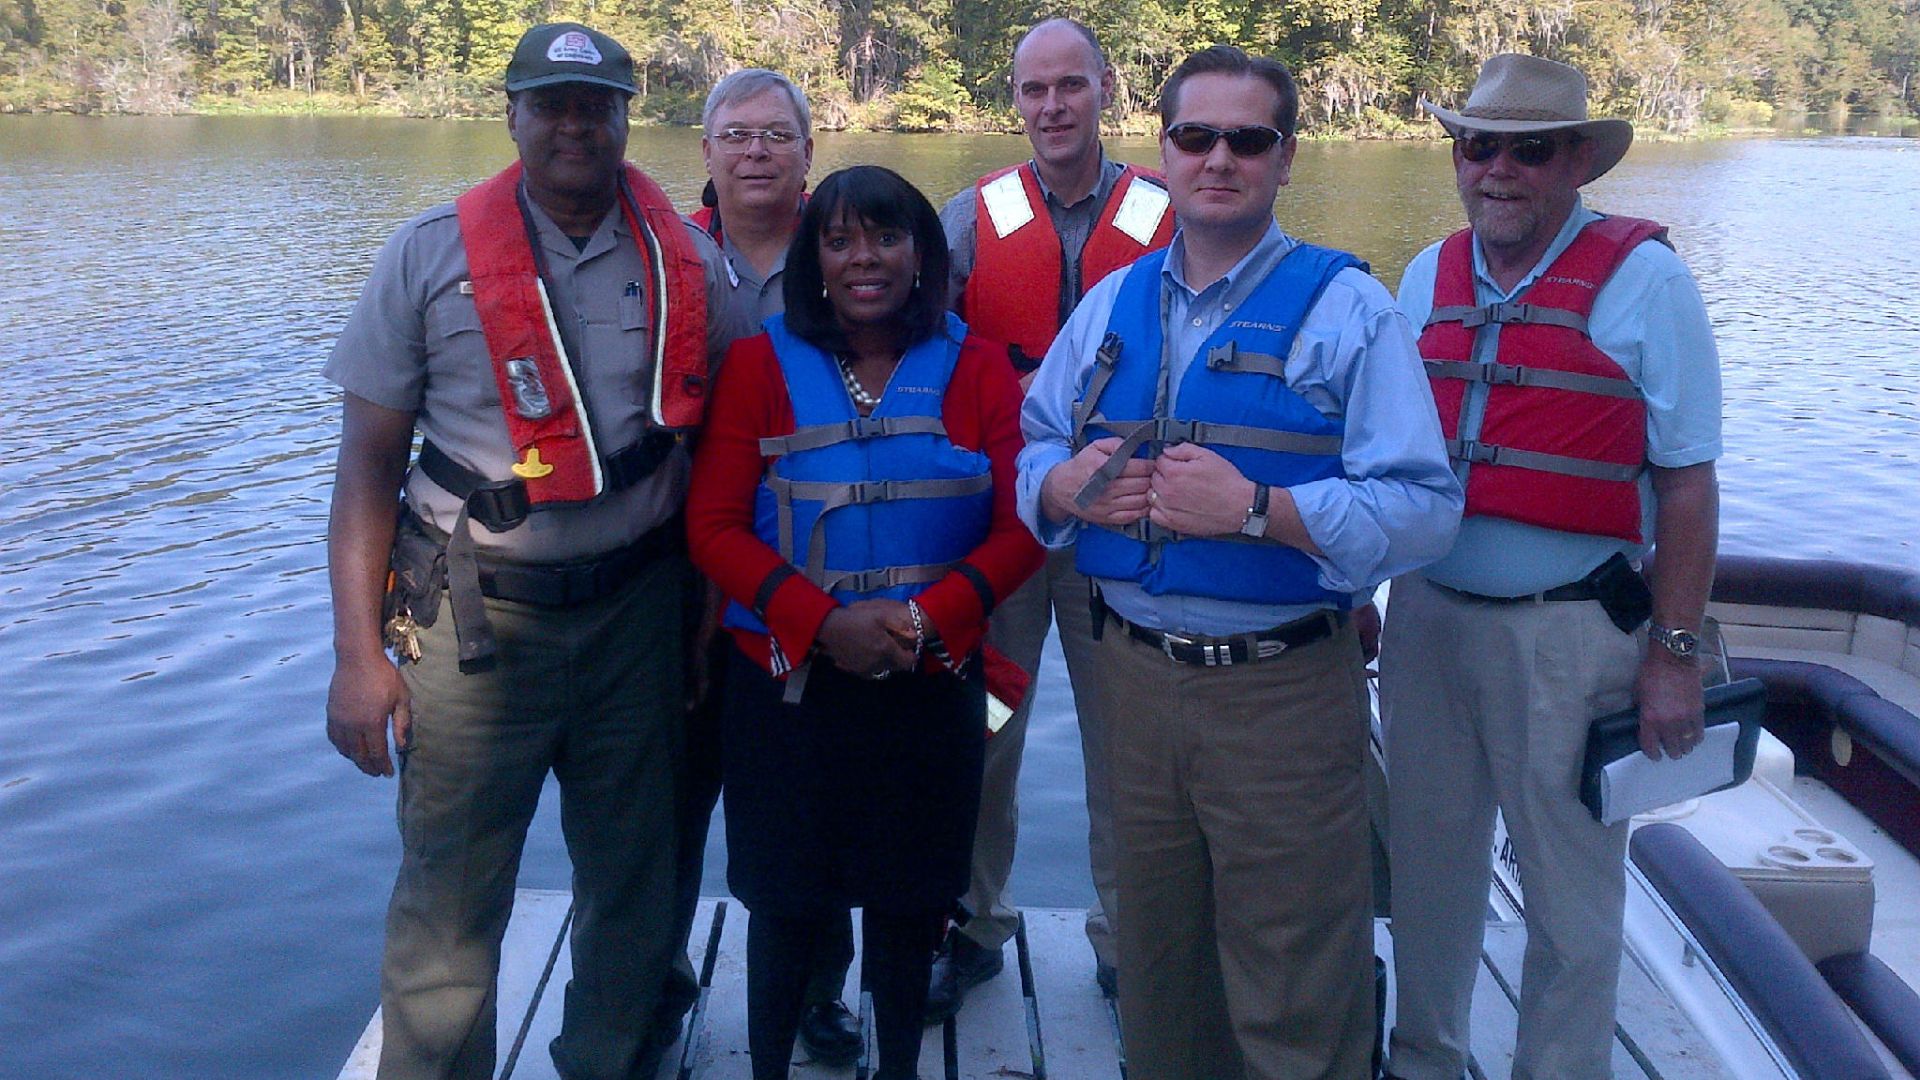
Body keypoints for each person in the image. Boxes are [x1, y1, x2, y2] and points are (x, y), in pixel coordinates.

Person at [1017, 45, 1462, 1079]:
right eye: (1194, 136)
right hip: (1130, 682)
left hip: (1283, 695)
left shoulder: (1351, 310)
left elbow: (1426, 510)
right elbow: (1037, 439)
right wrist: (1055, 486)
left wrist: (1263, 510)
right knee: (1159, 975)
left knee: (1296, 980)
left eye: (1247, 139)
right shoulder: (1110, 306)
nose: (1219, 159)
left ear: (1286, 157)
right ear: (1162, 152)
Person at [322, 23, 742, 1079]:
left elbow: (725, 442)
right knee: (450, 897)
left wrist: (706, 614)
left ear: (623, 119)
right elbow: (366, 467)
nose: (571, 124)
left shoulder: (688, 261)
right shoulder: (427, 255)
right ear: (510, 113)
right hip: (469, 624)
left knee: (633, 879)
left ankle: (606, 1058)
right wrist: (356, 657)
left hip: (634, 617)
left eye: (593, 105)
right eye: (549, 102)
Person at [1381, 53, 1722, 1080]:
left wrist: (1672, 654)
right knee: (1429, 872)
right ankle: (1423, 1059)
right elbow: (1388, 460)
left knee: (1572, 899)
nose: (1499, 170)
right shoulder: (1423, 277)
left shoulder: (1649, 283)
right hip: (1429, 619)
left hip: (1574, 633)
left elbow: (1690, 490)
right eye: (1479, 146)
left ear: (1577, 160)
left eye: (1530, 151)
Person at [687, 164, 1042, 1080]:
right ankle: (769, 1062)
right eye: (839, 241)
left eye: (886, 237)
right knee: (785, 903)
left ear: (924, 252)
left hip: (929, 682)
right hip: (787, 687)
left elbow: (1022, 529)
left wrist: (927, 620)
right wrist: (818, 622)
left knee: (909, 901)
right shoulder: (761, 366)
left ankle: (898, 1069)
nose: (864, 259)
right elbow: (714, 526)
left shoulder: (981, 370)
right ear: (814, 260)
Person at [931, 15, 1176, 1014]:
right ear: (1015, 101)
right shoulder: (969, 216)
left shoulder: (1171, 208)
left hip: (1128, 518)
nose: (1051, 107)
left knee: (1128, 741)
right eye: (1033, 90)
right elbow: (908, 341)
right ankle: (972, 922)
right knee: (985, 720)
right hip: (1008, 523)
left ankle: (1132, 939)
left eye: (1070, 86)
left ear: (1105, 90)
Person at [663, 67, 863, 1068]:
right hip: (678, 574)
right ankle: (653, 971)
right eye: (734, 135)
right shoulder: (663, 262)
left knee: (809, 799)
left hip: (810, 575)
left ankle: (824, 993)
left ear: (806, 152)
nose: (754, 152)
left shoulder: (850, 259)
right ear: (705, 153)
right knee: (669, 788)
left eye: (775, 135)